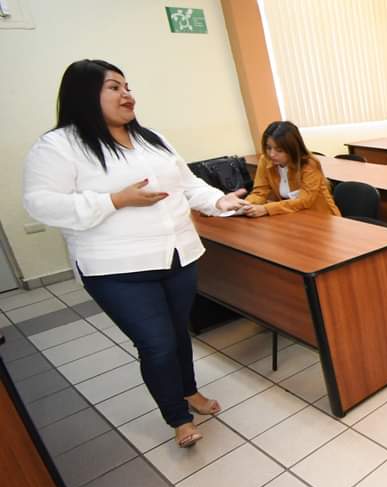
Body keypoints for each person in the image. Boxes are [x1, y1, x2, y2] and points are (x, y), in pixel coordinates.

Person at [23, 59, 248, 448]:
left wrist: (218, 201)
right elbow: (40, 204)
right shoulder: (59, 146)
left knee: (177, 334)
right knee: (156, 343)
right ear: (84, 95)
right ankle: (177, 417)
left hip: (177, 256)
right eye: (114, 87)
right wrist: (115, 199)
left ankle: (189, 391)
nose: (127, 94)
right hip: (117, 269)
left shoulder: (151, 139)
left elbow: (188, 184)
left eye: (127, 86)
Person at [242, 121, 340, 217]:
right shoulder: (266, 160)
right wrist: (244, 205)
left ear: (292, 149)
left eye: (279, 150)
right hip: (293, 216)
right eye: (268, 148)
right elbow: (260, 192)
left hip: (321, 217)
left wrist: (266, 209)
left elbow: (304, 201)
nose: (272, 154)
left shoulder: (309, 164)